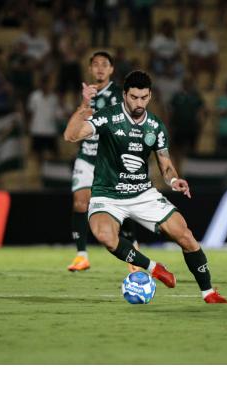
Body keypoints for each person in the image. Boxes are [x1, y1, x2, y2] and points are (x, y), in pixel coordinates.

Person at [64, 70, 227, 304]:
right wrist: (83, 106)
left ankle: (209, 292)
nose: (139, 103)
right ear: (124, 95)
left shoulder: (155, 126)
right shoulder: (108, 117)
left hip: (143, 193)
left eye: (143, 97)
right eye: (133, 97)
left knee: (186, 236)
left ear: (150, 95)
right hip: (107, 194)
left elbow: (165, 164)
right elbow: (70, 136)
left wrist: (174, 181)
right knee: (105, 236)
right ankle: (154, 268)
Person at [67, 51, 139, 273]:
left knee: (120, 211)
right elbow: (75, 127)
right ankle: (81, 256)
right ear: (90, 69)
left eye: (104, 65)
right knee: (80, 202)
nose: (99, 68)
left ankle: (133, 251)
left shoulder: (120, 94)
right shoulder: (86, 93)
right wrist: (84, 103)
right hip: (87, 156)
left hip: (110, 159)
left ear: (111, 69)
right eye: (95, 64)